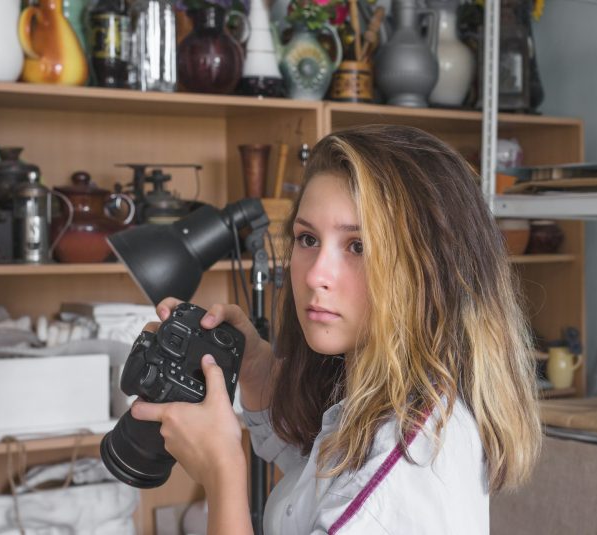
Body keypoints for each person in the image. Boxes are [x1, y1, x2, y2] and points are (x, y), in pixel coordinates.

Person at [131, 124, 542, 534]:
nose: (315, 276)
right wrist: (257, 372)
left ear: (431, 271)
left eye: (358, 246)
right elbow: (318, 485)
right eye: (307, 239)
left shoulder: (410, 461)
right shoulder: (382, 400)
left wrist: (222, 473)